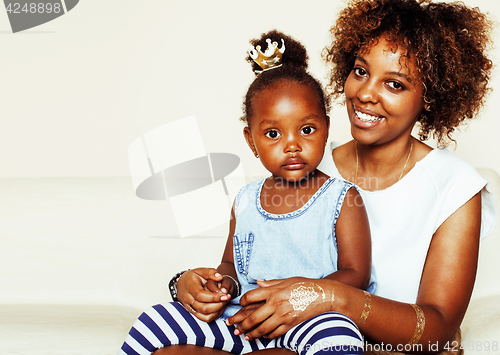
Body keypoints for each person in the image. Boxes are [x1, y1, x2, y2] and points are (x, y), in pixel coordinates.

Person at [168, 0, 497, 354]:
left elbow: (438, 330)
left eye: (395, 84)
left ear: (430, 96)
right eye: (360, 71)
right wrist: (191, 285)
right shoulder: (303, 154)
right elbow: (246, 259)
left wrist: (329, 296)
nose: (366, 93)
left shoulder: (454, 187)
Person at [120, 30, 375, 355]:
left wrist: (301, 294)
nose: (293, 144)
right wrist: (221, 286)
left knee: (338, 336)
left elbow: (357, 275)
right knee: (154, 321)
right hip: (244, 321)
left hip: (309, 318)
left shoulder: (342, 198)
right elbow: (230, 264)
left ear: (325, 128)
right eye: (272, 133)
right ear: (251, 141)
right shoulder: (245, 201)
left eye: (307, 129)